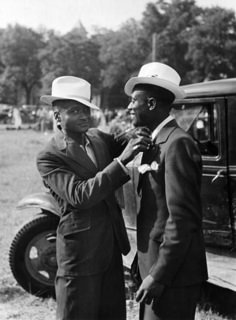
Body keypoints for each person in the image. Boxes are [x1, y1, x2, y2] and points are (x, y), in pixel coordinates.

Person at [36, 76, 151, 320]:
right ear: (57, 117)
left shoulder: (97, 137)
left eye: (86, 109)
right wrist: (122, 162)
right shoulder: (49, 156)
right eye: (74, 110)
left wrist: (136, 131)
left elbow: (119, 141)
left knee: (111, 314)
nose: (84, 115)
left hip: (109, 248)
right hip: (79, 256)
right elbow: (80, 195)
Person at [124, 62, 208, 320]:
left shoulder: (177, 143)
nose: (128, 107)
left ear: (150, 104)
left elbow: (181, 220)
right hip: (157, 267)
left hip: (173, 275)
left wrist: (158, 275)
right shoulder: (156, 141)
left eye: (133, 101)